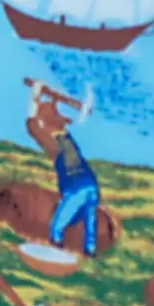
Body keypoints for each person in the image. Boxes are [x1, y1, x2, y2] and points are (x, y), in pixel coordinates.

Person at [24, 76, 105, 263]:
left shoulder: (53, 142)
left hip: (75, 186)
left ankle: (57, 250)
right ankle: (90, 249)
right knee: (87, 219)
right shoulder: (66, 136)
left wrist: (35, 95)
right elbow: (49, 118)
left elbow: (31, 124)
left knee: (57, 228)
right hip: (90, 185)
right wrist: (52, 98)